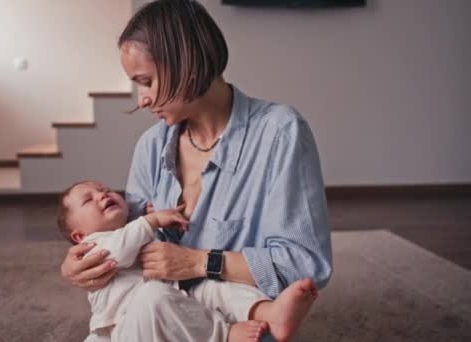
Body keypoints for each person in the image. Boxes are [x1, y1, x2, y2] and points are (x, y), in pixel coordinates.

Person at [60, 0, 333, 341]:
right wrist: (79, 265)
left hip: (241, 324)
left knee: (151, 299)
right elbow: (122, 234)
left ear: (184, 66)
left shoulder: (279, 133)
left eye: (146, 81)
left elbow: (305, 265)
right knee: (145, 303)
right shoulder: (151, 146)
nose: (142, 99)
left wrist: (200, 262)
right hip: (159, 315)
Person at [57, 180, 318, 341]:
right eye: (89, 200)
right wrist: (151, 220)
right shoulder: (94, 246)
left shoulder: (134, 229)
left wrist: (147, 217)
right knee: (152, 295)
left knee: (215, 287)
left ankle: (268, 312)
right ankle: (224, 334)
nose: (102, 195)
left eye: (103, 189)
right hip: (122, 330)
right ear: (79, 235)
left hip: (172, 299)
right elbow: (120, 250)